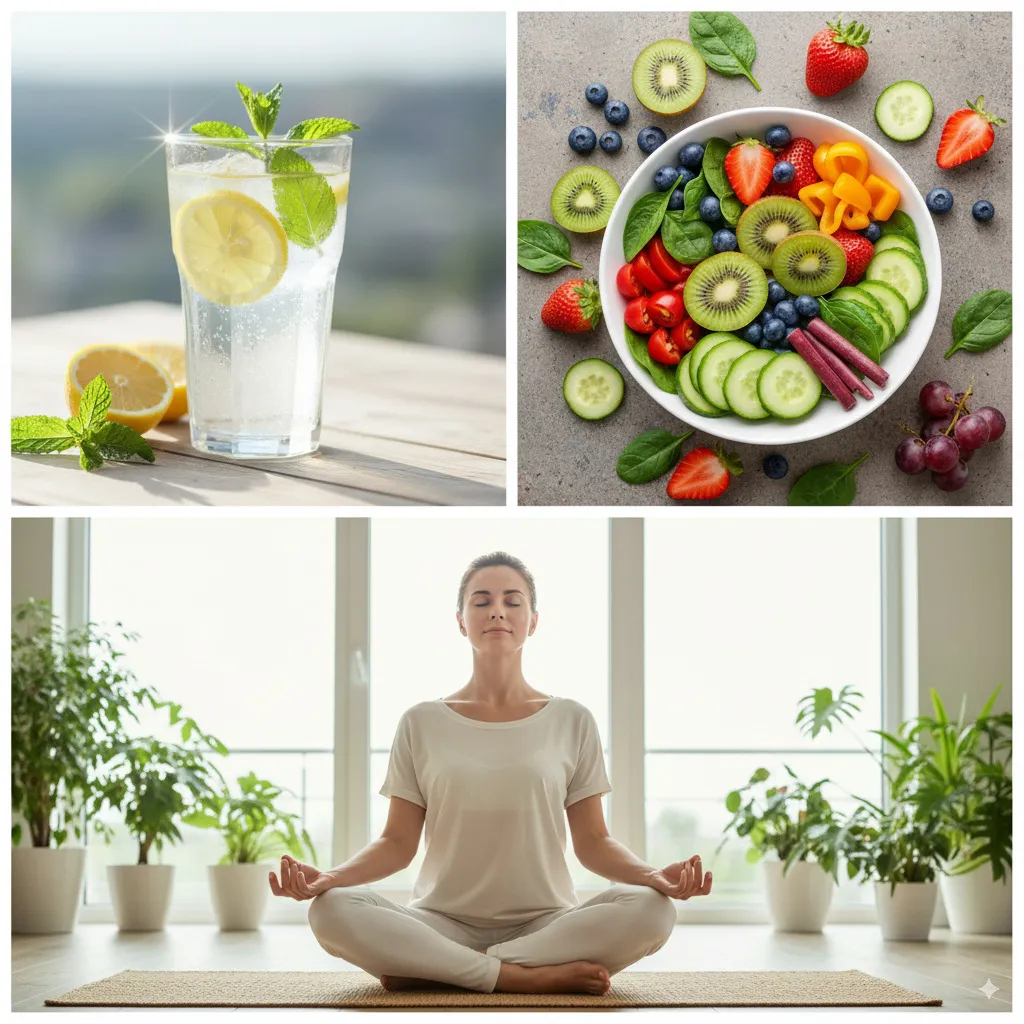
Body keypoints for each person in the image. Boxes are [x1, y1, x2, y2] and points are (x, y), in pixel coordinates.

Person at [269, 552, 712, 995]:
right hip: (440, 922)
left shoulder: (572, 719)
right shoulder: (421, 721)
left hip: (547, 926)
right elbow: (397, 843)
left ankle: (442, 971)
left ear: (533, 621)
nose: (497, 610)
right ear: (461, 621)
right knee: (330, 910)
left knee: (654, 911)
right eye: (480, 601)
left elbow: (593, 842)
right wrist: (330, 878)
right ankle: (519, 978)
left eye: (512, 601)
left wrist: (652, 876)